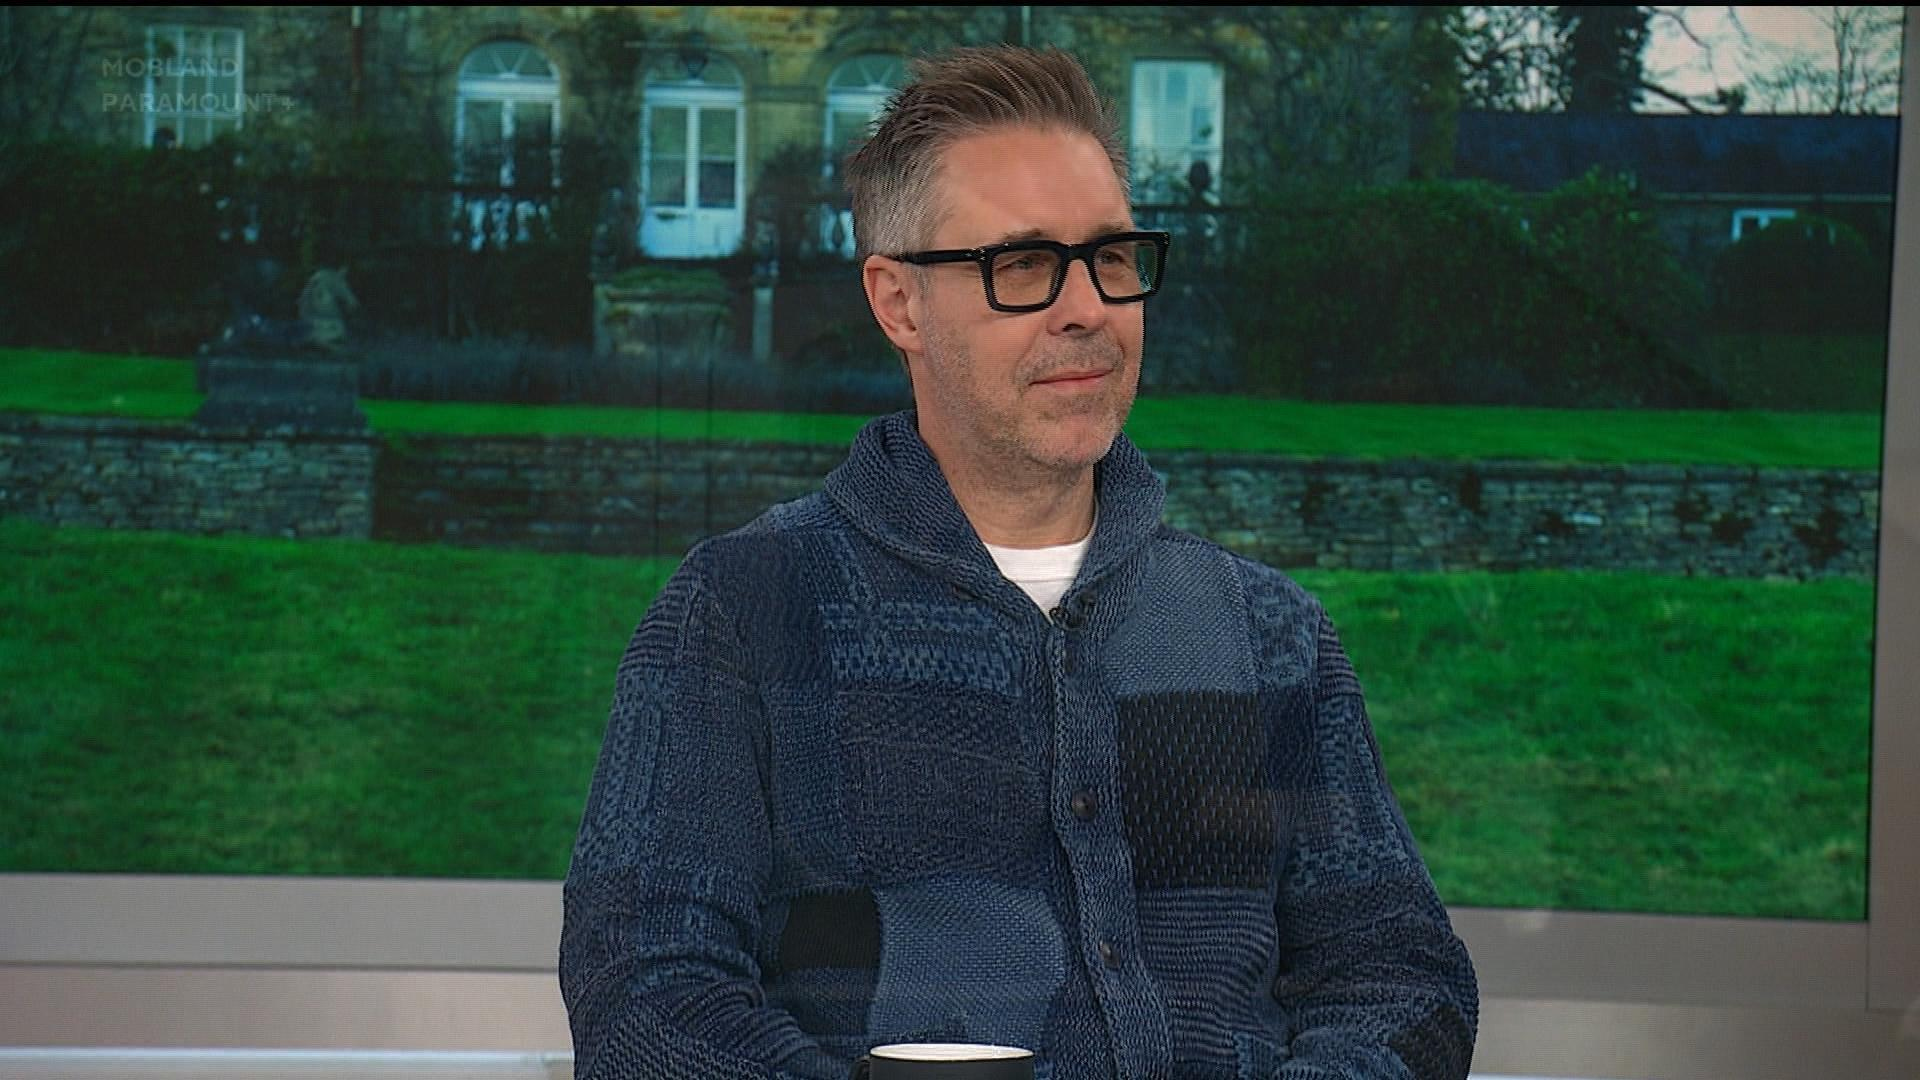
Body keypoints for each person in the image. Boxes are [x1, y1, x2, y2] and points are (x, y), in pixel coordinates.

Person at [561, 45, 1478, 1080]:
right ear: (899, 303)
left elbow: (1401, 980)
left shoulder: (1269, 636)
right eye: (1025, 266)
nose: (1086, 307)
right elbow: (646, 1000)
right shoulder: (740, 612)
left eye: (1112, 258)